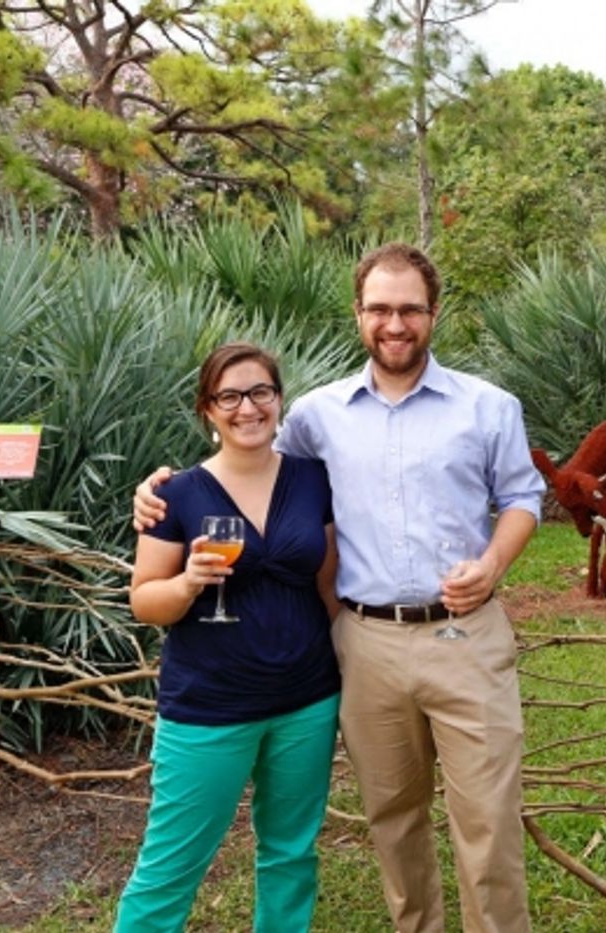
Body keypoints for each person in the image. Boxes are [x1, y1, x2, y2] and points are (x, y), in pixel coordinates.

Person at [135, 243, 544, 933]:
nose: (395, 323)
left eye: (409, 308)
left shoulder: (488, 406)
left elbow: (522, 495)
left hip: (464, 636)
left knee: (489, 822)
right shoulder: (317, 417)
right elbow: (247, 456)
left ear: (432, 314)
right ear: (358, 315)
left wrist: (495, 564)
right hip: (365, 644)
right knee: (393, 820)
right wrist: (159, 489)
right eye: (379, 308)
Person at [116, 343, 341, 933]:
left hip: (307, 700)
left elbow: (328, 588)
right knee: (170, 867)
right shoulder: (176, 495)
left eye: (261, 392)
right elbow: (145, 602)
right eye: (230, 396)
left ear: (279, 400)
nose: (248, 408)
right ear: (207, 410)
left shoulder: (313, 480)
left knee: (291, 854)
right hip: (209, 708)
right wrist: (188, 583)